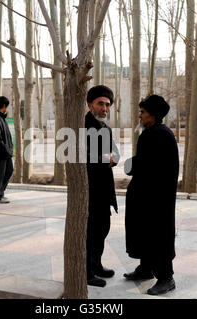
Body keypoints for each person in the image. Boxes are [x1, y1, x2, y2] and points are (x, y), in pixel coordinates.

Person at [123, 94, 179, 296]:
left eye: (143, 112)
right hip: (147, 196)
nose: (140, 116)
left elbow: (147, 165)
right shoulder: (153, 133)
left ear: (153, 115)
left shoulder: (159, 135)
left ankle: (166, 278)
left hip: (157, 200)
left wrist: (129, 164)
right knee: (145, 232)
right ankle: (146, 269)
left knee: (158, 235)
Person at [85, 85, 120, 288]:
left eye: (107, 105)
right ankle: (87, 271)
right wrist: (103, 159)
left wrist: (111, 158)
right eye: (100, 103)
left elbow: (115, 153)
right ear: (90, 104)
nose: (104, 108)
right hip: (89, 189)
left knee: (102, 229)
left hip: (104, 187)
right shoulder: (82, 125)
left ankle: (96, 265)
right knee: (90, 232)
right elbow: (80, 157)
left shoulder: (106, 128)